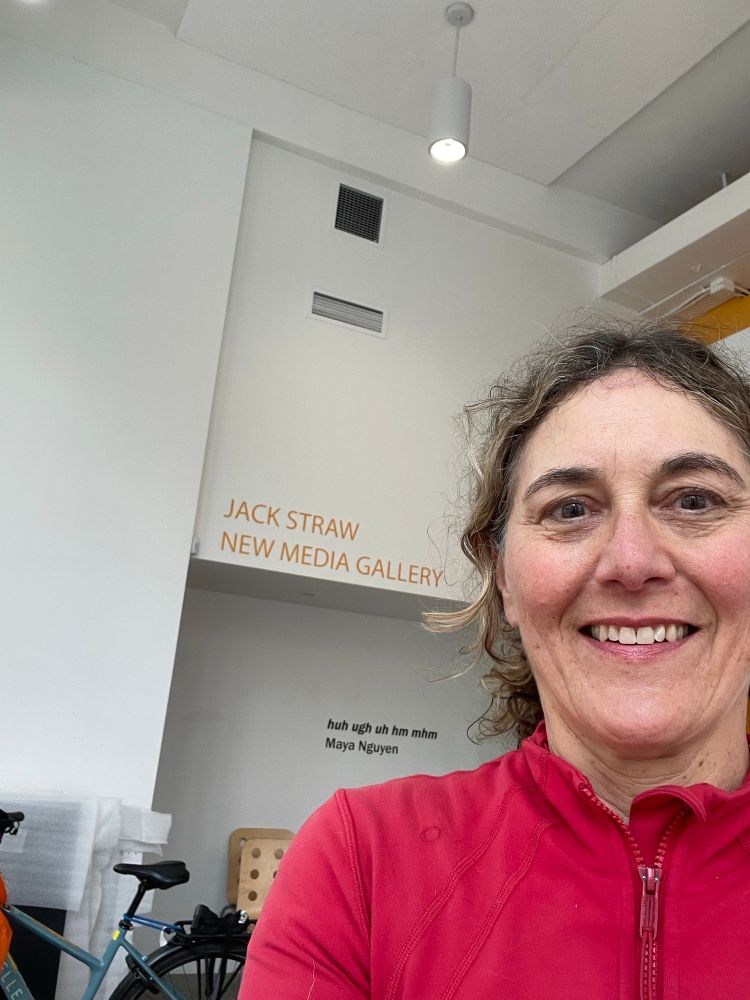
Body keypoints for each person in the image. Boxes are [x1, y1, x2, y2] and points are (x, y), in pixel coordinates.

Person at [239, 323, 750, 999]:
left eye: (694, 500)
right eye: (570, 508)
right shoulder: (361, 860)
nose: (632, 561)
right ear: (502, 575)